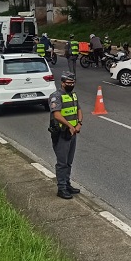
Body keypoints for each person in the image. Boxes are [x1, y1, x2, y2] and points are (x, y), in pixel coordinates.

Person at [48, 72, 83, 200]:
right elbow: (57, 114)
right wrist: (69, 126)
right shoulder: (56, 96)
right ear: (62, 83)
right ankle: (61, 188)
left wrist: (79, 124)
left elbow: (78, 110)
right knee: (62, 163)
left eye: (73, 83)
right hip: (62, 133)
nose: (71, 85)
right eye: (68, 83)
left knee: (69, 162)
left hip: (72, 133)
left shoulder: (73, 95)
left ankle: (67, 184)